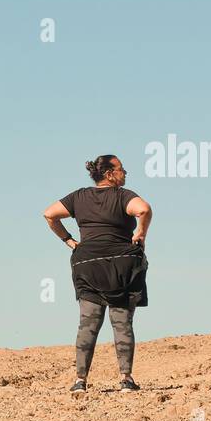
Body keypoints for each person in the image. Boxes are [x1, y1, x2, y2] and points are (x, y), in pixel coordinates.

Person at [42, 155, 152, 392]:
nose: (125, 173)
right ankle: (126, 378)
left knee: (88, 323)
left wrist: (69, 240)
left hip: (88, 263)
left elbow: (49, 214)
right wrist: (141, 232)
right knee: (121, 322)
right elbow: (143, 209)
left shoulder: (79, 196)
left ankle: (80, 381)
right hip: (120, 265)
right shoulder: (123, 196)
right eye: (121, 169)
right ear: (110, 174)